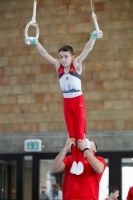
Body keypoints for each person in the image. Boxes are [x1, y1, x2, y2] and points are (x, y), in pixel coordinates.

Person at [25, 29, 103, 175]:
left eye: (66, 57)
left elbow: (87, 49)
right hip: (67, 101)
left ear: (72, 57)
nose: (63, 60)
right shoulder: (57, 66)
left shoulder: (77, 64)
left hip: (78, 100)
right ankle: (74, 161)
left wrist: (93, 37)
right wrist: (36, 42)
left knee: (80, 133)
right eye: (61, 57)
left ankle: (80, 160)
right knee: (71, 133)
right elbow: (44, 54)